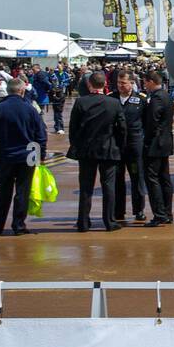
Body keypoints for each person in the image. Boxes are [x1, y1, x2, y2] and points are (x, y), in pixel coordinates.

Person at [0, 77, 47, 235]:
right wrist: (41, 155)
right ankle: (18, 225)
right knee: (23, 192)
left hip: (5, 155)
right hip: (27, 155)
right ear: (22, 90)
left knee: (3, 192)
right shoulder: (31, 109)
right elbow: (41, 135)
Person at [67, 70, 126, 232]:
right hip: (108, 148)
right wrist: (119, 147)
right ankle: (109, 221)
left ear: (89, 84)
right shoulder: (113, 103)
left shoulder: (81, 102)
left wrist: (77, 145)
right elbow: (122, 128)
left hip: (86, 150)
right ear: (105, 84)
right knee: (108, 187)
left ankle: (83, 222)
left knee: (86, 187)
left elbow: (73, 129)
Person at [113, 69, 148, 222]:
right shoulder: (111, 99)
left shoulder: (141, 100)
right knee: (117, 179)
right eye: (118, 83)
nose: (120, 86)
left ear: (132, 83)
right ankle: (118, 210)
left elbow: (147, 123)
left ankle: (138, 210)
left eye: (124, 83)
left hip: (134, 146)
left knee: (136, 178)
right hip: (117, 147)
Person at [142, 70, 174, 226]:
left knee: (152, 178)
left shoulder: (156, 98)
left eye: (145, 82)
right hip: (166, 141)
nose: (144, 85)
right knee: (164, 178)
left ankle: (160, 214)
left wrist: (147, 140)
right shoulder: (166, 95)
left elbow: (152, 121)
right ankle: (167, 212)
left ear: (150, 82)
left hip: (156, 143)